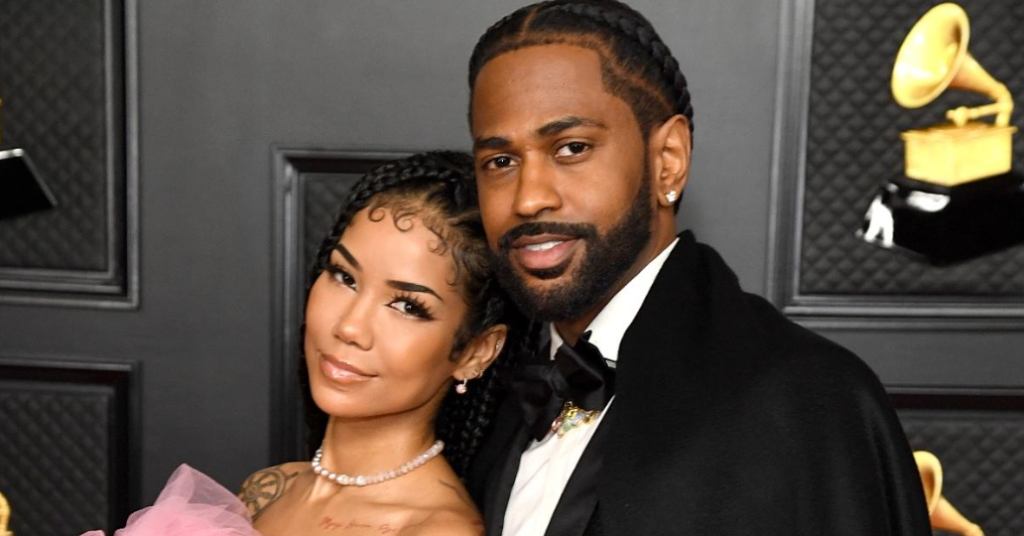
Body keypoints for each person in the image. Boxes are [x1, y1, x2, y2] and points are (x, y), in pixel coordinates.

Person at [463, 2, 933, 535]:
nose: (528, 198)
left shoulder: (803, 400)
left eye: (572, 148)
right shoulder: (487, 395)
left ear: (668, 160)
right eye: (500, 161)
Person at [84, 152, 517, 536]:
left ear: (476, 351)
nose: (350, 326)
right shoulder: (266, 490)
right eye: (344, 277)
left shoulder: (435, 530)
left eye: (406, 306)